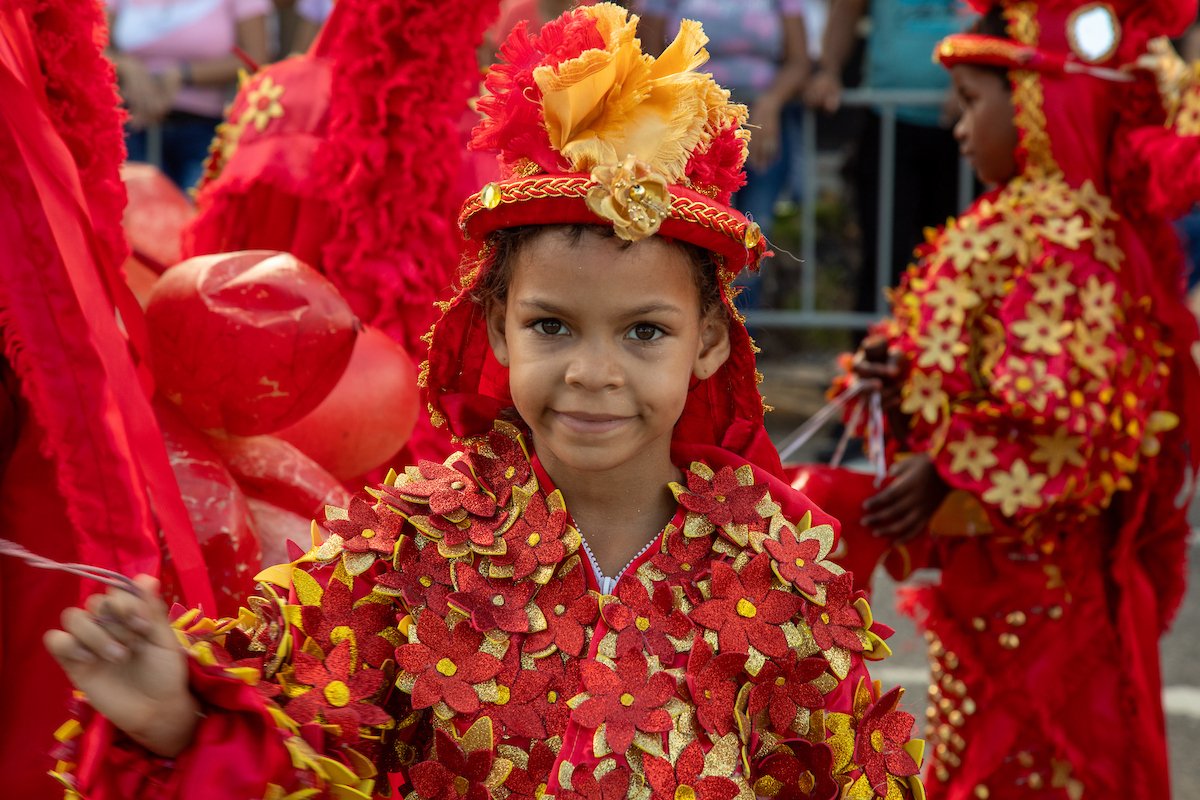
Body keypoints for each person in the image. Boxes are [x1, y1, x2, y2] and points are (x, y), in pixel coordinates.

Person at [43, 5, 926, 798]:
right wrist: (174, 723)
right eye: (552, 328)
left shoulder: (769, 566)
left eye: (644, 333)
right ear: (495, 331)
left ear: (710, 344)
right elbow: (293, 757)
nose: (592, 372)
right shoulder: (403, 548)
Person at [848, 1, 1200, 797]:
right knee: (979, 738)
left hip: (1047, 580)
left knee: (1045, 746)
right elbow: (946, 359)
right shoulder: (1009, 219)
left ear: (1041, 104)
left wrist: (943, 469)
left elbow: (1072, 411)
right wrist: (890, 379)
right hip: (988, 567)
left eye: (973, 104)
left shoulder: (1071, 236)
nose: (957, 127)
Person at [636, 0, 811, 310]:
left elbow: (799, 61)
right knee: (694, 237)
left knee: (752, 238)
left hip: (761, 128)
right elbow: (649, 58)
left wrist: (770, 104)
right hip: (689, 129)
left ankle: (743, 339)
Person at [806, 0, 967, 317]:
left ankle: (952, 355)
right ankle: (873, 355)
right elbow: (846, 13)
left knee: (957, 254)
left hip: (962, 127)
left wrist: (973, 82)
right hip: (888, 123)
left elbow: (991, 18)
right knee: (884, 253)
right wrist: (829, 70)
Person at [106, 0, 270, 190]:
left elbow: (255, 59)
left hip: (205, 132)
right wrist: (127, 69)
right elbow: (96, 45)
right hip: (134, 126)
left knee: (196, 213)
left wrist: (183, 75)